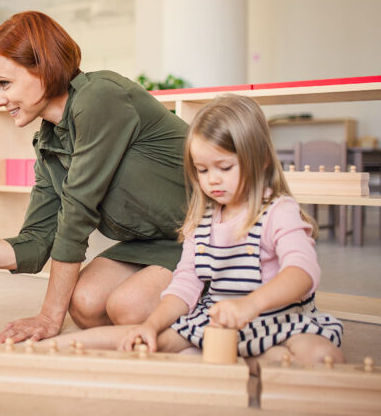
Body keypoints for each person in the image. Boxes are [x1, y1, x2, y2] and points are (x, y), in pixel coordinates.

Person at [0, 11, 188, 343]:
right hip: (154, 243)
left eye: (4, 84)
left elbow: (76, 217)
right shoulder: (49, 143)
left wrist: (48, 316)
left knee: (128, 307)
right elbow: (33, 246)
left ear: (44, 67)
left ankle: (239, 293)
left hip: (209, 234)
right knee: (84, 305)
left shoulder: (100, 97)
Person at [50, 94, 344, 371]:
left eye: (224, 167)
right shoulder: (201, 220)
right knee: (146, 342)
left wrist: (250, 304)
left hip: (280, 321)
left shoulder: (279, 211)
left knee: (322, 356)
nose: (212, 180)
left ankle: (247, 356)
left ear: (262, 160)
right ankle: (56, 346)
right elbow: (185, 285)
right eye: (202, 170)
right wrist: (151, 325)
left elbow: (302, 272)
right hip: (215, 324)